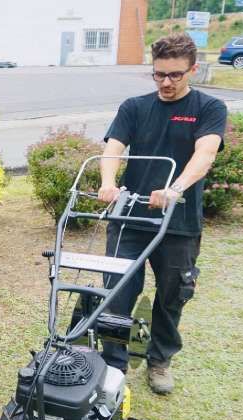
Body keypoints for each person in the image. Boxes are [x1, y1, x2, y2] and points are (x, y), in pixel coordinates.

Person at [97, 33, 227, 395]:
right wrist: (108, 182)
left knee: (173, 294)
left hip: (179, 223)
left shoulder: (209, 108)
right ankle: (114, 365)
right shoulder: (134, 108)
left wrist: (175, 189)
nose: (167, 83)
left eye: (175, 75)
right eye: (159, 75)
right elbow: (113, 148)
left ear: (193, 70)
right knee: (118, 291)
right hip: (131, 218)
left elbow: (205, 154)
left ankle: (159, 359)